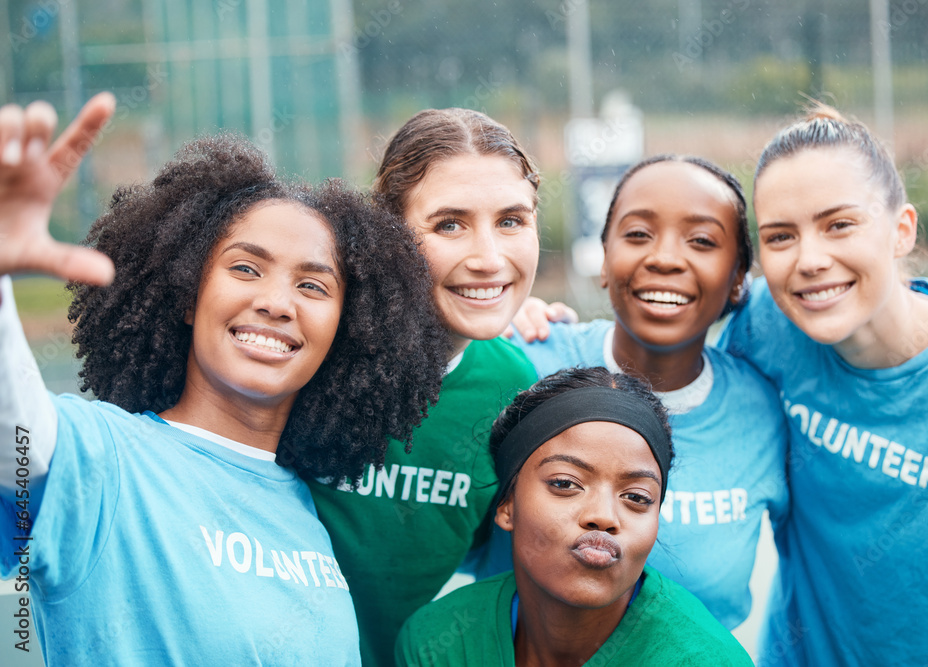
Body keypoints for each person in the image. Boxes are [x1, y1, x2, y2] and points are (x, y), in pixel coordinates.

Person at [0, 94, 451, 664]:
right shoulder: (104, 460)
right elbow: (15, 435)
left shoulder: (308, 510)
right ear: (189, 295)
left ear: (346, 330)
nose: (276, 303)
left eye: (312, 286)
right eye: (245, 268)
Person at [720, 105, 928, 666]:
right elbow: (650, 347)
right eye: (780, 237)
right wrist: (538, 322)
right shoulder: (763, 328)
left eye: (839, 224)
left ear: (902, 230)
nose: (810, 260)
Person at [483, 154, 788, 630]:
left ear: (737, 281)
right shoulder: (522, 362)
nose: (664, 257)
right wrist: (494, 323)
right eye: (638, 234)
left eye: (702, 240)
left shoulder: (765, 409)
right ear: (604, 260)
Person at [308, 107, 544, 666]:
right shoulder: (312, 349)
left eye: (512, 220)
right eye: (449, 224)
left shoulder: (513, 387)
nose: (489, 259)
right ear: (386, 235)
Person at [396, 366, 754, 666]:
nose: (603, 516)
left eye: (636, 497)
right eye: (566, 483)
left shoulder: (706, 659)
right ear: (506, 505)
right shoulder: (438, 644)